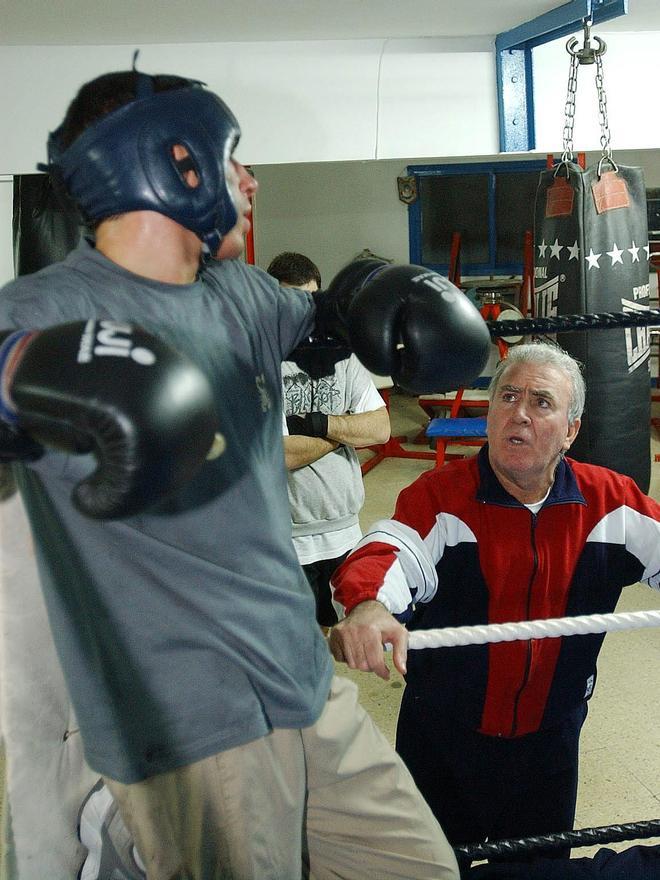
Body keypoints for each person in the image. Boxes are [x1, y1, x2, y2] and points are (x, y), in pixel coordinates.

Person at [0, 68, 460, 879]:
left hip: (299, 677)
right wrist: (35, 372)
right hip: (189, 719)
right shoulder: (41, 312)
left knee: (420, 867)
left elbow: (323, 326)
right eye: (231, 159)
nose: (247, 180)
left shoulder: (240, 296)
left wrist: (376, 298)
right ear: (162, 163)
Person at [329, 341, 660, 864]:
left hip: (550, 742)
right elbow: (390, 548)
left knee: (536, 873)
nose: (519, 414)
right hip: (440, 738)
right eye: (507, 397)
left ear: (571, 431)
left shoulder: (611, 503)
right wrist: (369, 604)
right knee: (430, 868)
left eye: (541, 403)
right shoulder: (440, 495)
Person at [267, 251, 390, 631]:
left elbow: (381, 429)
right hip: (288, 540)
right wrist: (344, 431)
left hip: (345, 533)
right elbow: (282, 454)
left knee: (341, 636)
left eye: (311, 300)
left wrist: (317, 424)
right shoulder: (260, 363)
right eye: (292, 301)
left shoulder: (342, 357)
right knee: (294, 644)